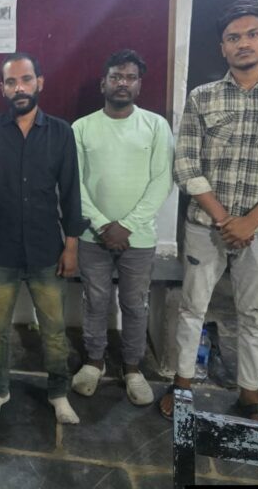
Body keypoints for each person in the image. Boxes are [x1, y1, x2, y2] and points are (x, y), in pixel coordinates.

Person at [159, 0, 258, 422]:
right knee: (192, 308)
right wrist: (227, 220)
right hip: (206, 226)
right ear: (222, 47)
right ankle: (182, 385)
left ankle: (250, 393)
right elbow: (186, 165)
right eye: (233, 37)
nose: (243, 43)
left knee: (255, 316)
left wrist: (250, 221)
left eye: (251, 34)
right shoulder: (203, 97)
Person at [0, 52, 86, 423]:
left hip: (47, 249)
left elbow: (71, 192)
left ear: (39, 82)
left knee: (54, 331)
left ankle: (59, 394)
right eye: (11, 82)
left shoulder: (61, 132)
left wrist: (71, 244)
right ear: (2, 88)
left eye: (26, 79)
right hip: (0, 249)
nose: (19, 88)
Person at [71, 49, 173, 407]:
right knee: (94, 301)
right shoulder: (81, 128)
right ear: (104, 83)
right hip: (92, 236)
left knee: (134, 304)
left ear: (139, 85)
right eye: (116, 76)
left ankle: (132, 368)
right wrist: (102, 224)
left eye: (130, 77)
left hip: (138, 238)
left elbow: (162, 181)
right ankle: (93, 362)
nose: (123, 83)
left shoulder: (156, 126)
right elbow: (73, 184)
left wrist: (126, 226)